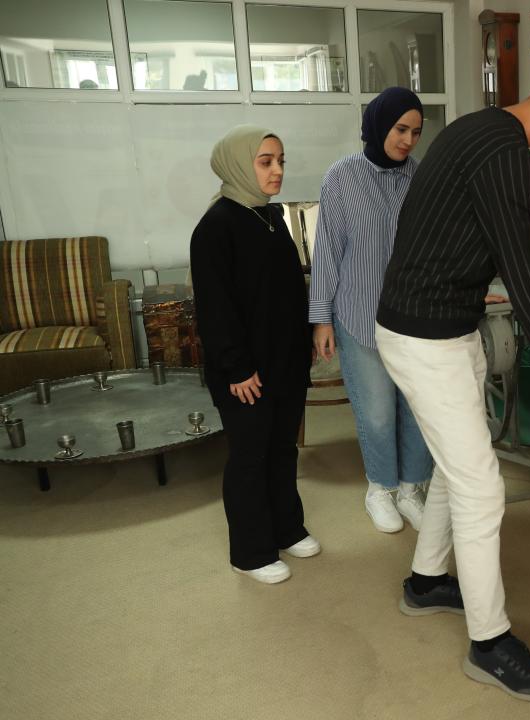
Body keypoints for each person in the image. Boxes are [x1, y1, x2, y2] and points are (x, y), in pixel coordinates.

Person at [375, 61, 530, 703]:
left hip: (443, 327)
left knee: (460, 467)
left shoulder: (478, 129)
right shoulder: (508, 153)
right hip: (426, 338)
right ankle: (490, 643)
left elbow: (463, 237)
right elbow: (523, 270)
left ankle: (427, 582)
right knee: (483, 488)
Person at [190, 125, 317, 585]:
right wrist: (236, 368)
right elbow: (215, 308)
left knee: (282, 449)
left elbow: (286, 292)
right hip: (244, 371)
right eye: (265, 162)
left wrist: (304, 342)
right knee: (250, 458)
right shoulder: (216, 227)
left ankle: (286, 528)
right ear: (240, 164)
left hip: (284, 363)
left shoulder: (270, 216)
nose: (277, 170)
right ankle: (250, 552)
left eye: (280, 160)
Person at [310, 88, 434, 534]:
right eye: (401, 129)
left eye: (416, 132)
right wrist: (321, 318)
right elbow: (327, 252)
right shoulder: (341, 177)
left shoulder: (421, 177)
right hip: (359, 315)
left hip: (413, 319)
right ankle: (380, 488)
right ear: (379, 124)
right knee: (377, 412)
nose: (408, 140)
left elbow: (433, 250)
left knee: (417, 409)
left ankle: (411, 488)